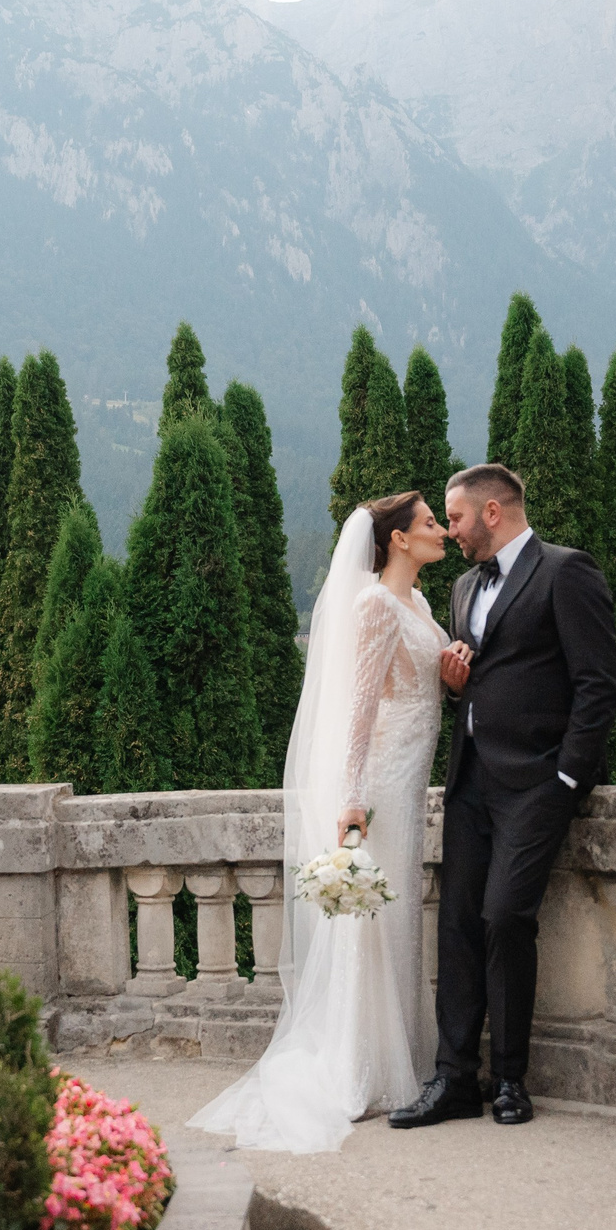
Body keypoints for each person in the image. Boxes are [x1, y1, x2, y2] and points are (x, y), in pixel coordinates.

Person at [189, 491, 452, 1153]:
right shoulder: (374, 604)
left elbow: (419, 684)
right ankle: (360, 1070)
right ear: (396, 538)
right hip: (384, 780)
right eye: (428, 523)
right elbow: (360, 708)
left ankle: (397, 1060)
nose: (441, 530)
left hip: (412, 777)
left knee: (395, 919)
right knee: (373, 922)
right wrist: (353, 797)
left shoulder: (417, 603)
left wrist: (453, 675)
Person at [390, 462, 616, 1129]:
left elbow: (598, 682)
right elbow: (488, 679)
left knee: (505, 918)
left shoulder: (566, 570)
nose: (450, 529)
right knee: (458, 926)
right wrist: (459, 683)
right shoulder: (464, 586)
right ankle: (454, 1078)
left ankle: (511, 1078)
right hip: (469, 782)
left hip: (536, 785)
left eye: (456, 517)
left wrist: (568, 778)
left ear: (493, 511)